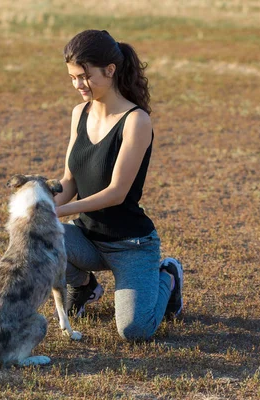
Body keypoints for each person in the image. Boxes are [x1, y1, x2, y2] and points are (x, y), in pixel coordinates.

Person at [53, 29, 184, 341]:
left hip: (131, 245)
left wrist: (61, 211)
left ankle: (167, 277)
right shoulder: (79, 114)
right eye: (73, 78)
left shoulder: (137, 121)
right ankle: (84, 286)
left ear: (110, 71)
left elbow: (116, 193)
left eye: (85, 76)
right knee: (42, 236)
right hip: (87, 238)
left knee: (133, 330)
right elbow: (69, 181)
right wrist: (41, 208)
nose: (78, 85)